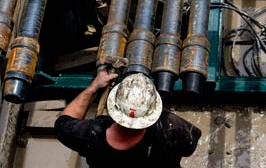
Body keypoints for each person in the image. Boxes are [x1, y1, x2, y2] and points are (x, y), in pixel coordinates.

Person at [54, 69, 201, 168]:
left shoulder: (90, 135)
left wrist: (94, 86)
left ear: (114, 107)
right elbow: (189, 146)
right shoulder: (171, 127)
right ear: (152, 112)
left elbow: (63, 122)